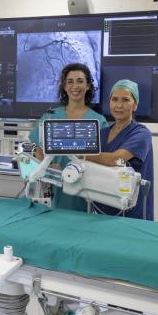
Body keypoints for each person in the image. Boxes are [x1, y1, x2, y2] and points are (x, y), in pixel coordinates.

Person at [29, 63, 108, 211]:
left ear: (88, 86)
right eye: (69, 82)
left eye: (80, 81)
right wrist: (47, 168)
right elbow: (36, 147)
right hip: (54, 186)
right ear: (64, 87)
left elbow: (101, 158)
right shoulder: (51, 116)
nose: (74, 86)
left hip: (84, 187)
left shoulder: (98, 121)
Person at [87, 79, 154, 220]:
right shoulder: (103, 133)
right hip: (101, 208)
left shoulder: (141, 133)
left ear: (135, 105)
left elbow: (114, 159)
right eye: (115, 99)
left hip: (131, 211)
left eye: (125, 100)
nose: (119, 105)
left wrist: (80, 153)